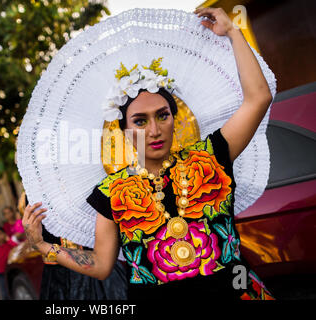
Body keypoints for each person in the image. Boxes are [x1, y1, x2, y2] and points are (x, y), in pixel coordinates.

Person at [22, 7, 275, 300]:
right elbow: (102, 265)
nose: (154, 129)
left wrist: (233, 32)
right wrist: (42, 245)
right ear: (125, 130)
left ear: (174, 119)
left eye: (162, 115)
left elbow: (259, 97)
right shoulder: (112, 192)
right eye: (140, 121)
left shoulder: (211, 157)